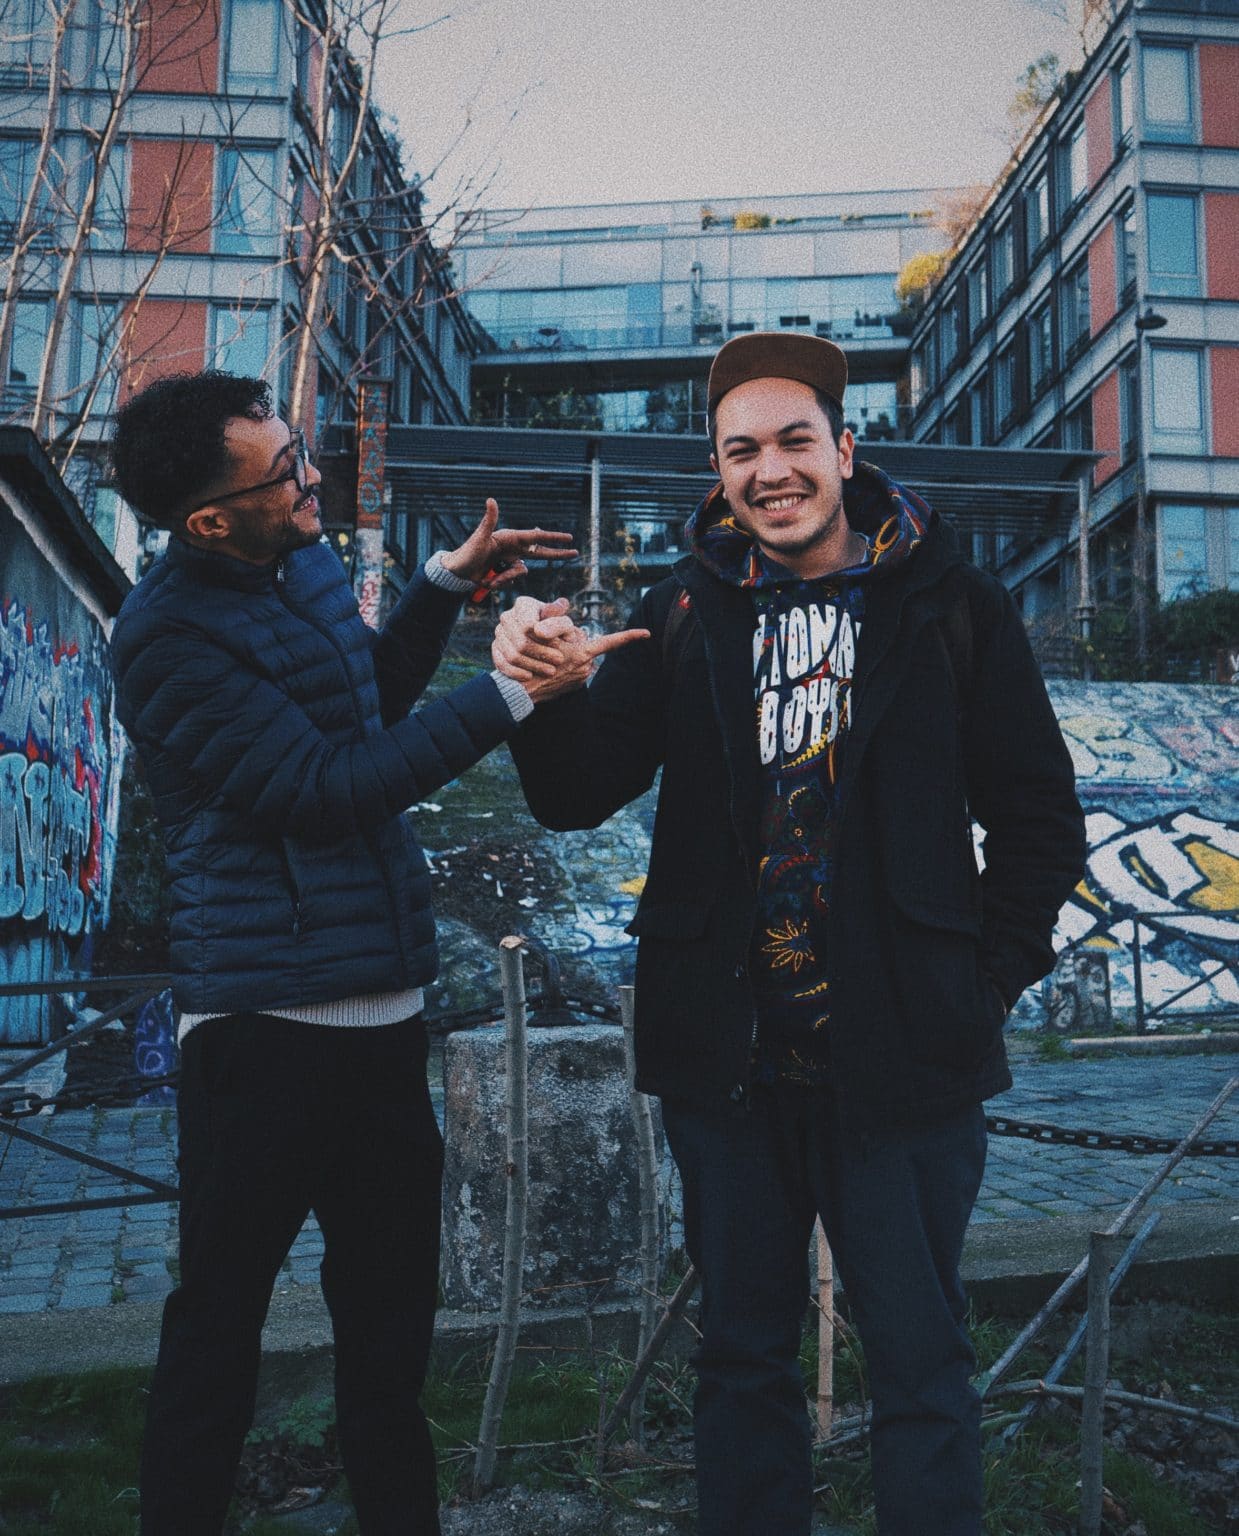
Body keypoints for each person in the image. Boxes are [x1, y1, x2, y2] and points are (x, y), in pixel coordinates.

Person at [491, 333, 1086, 1536]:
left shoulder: (951, 605)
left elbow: (1039, 822)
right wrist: (542, 696)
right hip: (730, 1072)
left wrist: (981, 988)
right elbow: (575, 795)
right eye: (741, 451)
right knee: (741, 1360)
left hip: (907, 1065)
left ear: (845, 450)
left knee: (922, 1364)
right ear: (719, 472)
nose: (771, 470)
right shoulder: (682, 610)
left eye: (795, 440)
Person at [107, 370, 612, 1536]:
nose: (312, 478)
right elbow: (327, 791)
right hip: (262, 1038)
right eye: (285, 472)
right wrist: (509, 695)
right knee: (219, 1334)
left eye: (300, 452)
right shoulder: (164, 641)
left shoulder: (304, 563)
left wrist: (441, 588)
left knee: (390, 1346)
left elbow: (364, 706)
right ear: (209, 521)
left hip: (383, 1029)